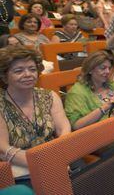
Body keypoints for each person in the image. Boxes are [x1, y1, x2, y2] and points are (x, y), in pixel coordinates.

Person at [0, 46, 71, 182]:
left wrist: (58, 156)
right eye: (18, 71)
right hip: (18, 167)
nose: (28, 74)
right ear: (4, 76)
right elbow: (3, 149)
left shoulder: (49, 96)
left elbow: (64, 129)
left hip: (55, 156)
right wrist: (44, 163)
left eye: (32, 69)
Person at [64, 50, 114, 130]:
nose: (107, 71)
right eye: (103, 68)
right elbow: (76, 125)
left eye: (109, 68)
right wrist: (105, 107)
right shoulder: (77, 92)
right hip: (99, 136)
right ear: (90, 70)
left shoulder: (111, 85)